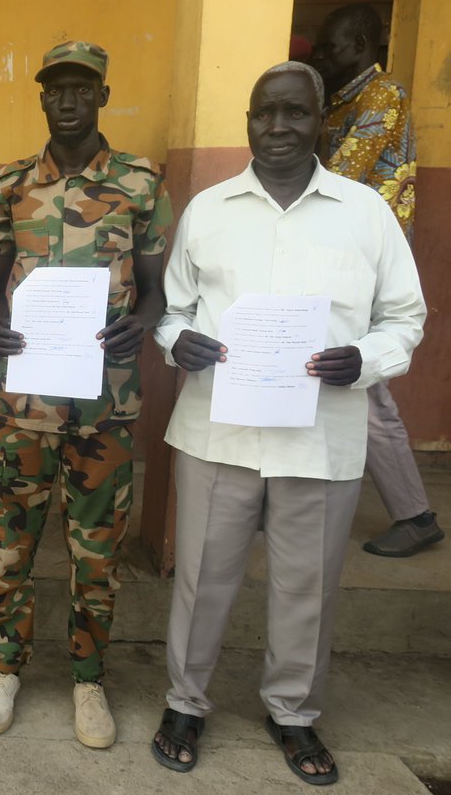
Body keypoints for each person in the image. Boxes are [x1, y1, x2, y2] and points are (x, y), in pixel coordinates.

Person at [149, 62, 425, 785]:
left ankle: (293, 711)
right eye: (263, 112)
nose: (278, 127)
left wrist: (362, 358)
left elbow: (404, 319)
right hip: (218, 431)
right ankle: (185, 700)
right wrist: (177, 340)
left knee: (308, 585)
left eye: (294, 113)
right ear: (247, 120)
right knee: (203, 579)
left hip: (320, 434)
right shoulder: (208, 210)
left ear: (320, 119)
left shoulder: (364, 213)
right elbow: (172, 308)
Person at [0, 41, 170, 748]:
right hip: (23, 404)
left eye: (82, 87)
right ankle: (4, 669)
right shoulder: (9, 184)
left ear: (102, 96)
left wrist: (139, 327)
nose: (68, 99)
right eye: (55, 88)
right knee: (10, 548)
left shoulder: (141, 182)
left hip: (104, 407)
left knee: (96, 556)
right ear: (42, 98)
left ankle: (89, 681)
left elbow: (155, 294)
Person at [310, 3, 442, 558]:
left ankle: (415, 515)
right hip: (334, 259)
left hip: (364, 266)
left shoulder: (383, 97)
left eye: (332, 48)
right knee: (323, 373)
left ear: (363, 43)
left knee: (365, 389)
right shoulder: (343, 99)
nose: (323, 56)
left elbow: (338, 173)